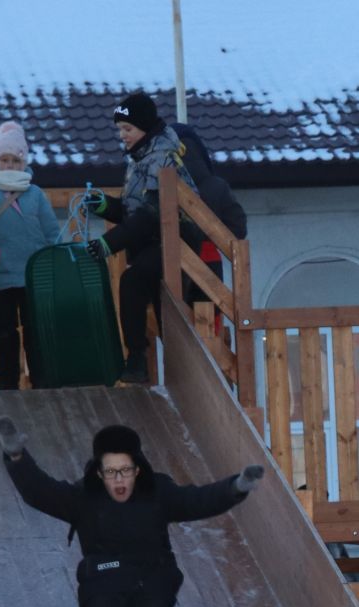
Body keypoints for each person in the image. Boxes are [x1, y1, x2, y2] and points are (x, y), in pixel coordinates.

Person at [0, 416, 264, 607]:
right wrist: (17, 456)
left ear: (137, 470)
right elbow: (40, 492)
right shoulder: (84, 497)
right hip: (106, 577)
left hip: (152, 579)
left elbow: (198, 500)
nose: (119, 480)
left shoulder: (157, 492)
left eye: (125, 471)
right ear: (99, 473)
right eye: (111, 472)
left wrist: (236, 487)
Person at [82, 91, 201, 386]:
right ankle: (167, 365)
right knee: (150, 292)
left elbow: (151, 213)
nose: (122, 135)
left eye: (127, 129)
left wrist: (110, 244)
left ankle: (138, 359)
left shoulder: (161, 158)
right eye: (120, 130)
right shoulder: (139, 159)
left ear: (145, 128)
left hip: (175, 238)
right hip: (153, 239)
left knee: (133, 280)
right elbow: (132, 210)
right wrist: (105, 206)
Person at [0, 122, 60, 391]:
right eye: (4, 159)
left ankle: (41, 379)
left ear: (23, 162)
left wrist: (53, 265)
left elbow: (51, 231)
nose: (10, 165)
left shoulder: (35, 194)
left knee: (36, 331)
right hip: (1, 274)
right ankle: (7, 381)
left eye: (15, 160)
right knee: (3, 331)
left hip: (33, 275)